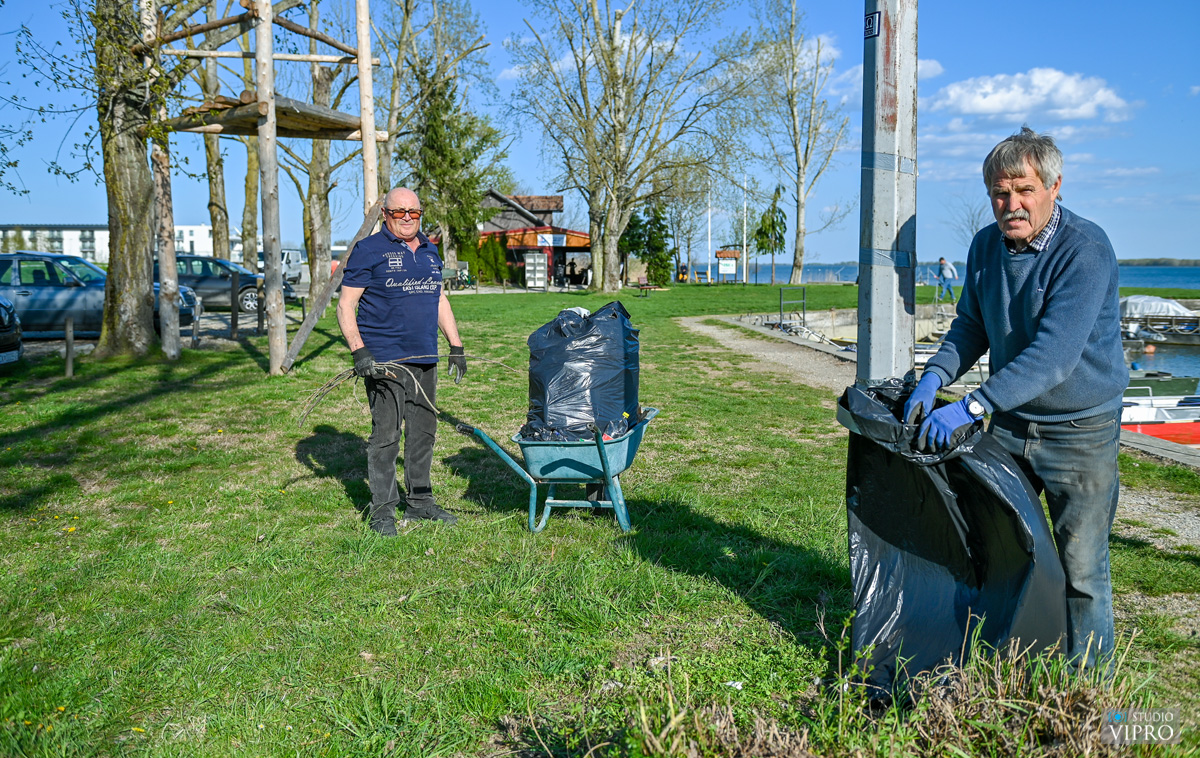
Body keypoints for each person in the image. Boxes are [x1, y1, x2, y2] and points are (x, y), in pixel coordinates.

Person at [903, 126, 1127, 664]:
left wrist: (972, 405)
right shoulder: (985, 246)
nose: (1012, 205)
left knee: (1081, 569)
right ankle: (1007, 663)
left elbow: (1053, 357)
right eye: (1000, 193)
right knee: (1004, 551)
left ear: (1054, 187)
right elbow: (970, 326)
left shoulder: (1086, 250)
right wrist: (934, 376)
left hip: (1080, 433)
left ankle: (1086, 688)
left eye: (1024, 190)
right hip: (1009, 427)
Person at [337, 187, 468, 535]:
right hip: (385, 360)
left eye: (414, 212)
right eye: (399, 212)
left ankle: (420, 503)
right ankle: (382, 512)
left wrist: (455, 344)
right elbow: (346, 305)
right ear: (385, 214)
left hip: (425, 356)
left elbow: (439, 298)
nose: (407, 218)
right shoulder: (368, 250)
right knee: (386, 437)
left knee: (424, 433)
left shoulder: (429, 249)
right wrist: (359, 351)